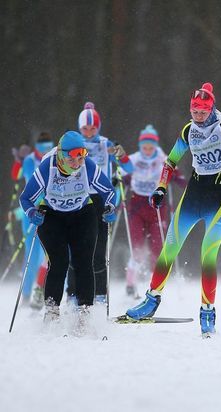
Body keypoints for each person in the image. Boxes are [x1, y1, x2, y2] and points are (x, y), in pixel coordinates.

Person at [126, 82, 221, 336]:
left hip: (218, 200)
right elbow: (170, 161)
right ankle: (151, 300)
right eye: (194, 111)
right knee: (170, 247)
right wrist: (161, 187)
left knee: (207, 256)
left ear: (211, 109)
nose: (198, 116)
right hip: (193, 196)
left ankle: (207, 311)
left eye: (202, 112)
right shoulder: (189, 130)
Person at [19, 131, 116, 332]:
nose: (79, 161)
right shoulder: (48, 167)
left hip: (82, 214)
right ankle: (52, 312)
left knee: (83, 262)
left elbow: (108, 191)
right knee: (59, 262)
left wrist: (109, 207)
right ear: (63, 155)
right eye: (75, 156)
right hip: (53, 217)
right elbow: (26, 198)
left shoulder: (87, 166)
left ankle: (84, 312)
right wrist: (31, 213)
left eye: (82, 155)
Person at [66, 102, 132, 305]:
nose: (88, 133)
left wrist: (121, 154)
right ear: (79, 128)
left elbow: (128, 167)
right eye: (85, 128)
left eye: (92, 128)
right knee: (75, 248)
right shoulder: (73, 143)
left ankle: (100, 294)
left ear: (99, 127)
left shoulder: (106, 144)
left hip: (100, 200)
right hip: (78, 198)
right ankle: (72, 294)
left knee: (98, 249)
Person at [125, 125, 186, 296]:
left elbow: (177, 175)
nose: (148, 150)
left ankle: (155, 286)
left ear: (155, 145)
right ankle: (131, 284)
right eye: (145, 146)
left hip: (157, 207)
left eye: (151, 146)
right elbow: (123, 175)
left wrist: (184, 183)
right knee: (136, 246)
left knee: (157, 248)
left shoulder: (162, 158)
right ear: (140, 145)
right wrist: (119, 183)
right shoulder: (135, 159)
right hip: (137, 206)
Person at [20, 133, 54, 307]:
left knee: (51, 254)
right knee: (32, 256)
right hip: (32, 212)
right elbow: (29, 181)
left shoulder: (54, 158)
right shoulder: (29, 160)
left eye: (48, 148)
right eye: (42, 148)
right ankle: (25, 294)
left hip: (48, 210)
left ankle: (46, 291)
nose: (45, 152)